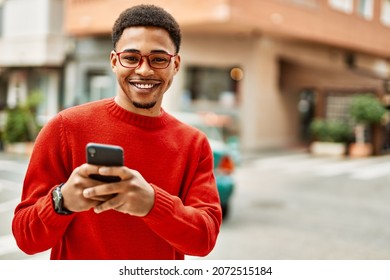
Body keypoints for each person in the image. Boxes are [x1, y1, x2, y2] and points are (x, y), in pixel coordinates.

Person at [12, 4, 222, 260]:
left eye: (158, 59)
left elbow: (204, 239)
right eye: (131, 58)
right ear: (114, 61)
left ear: (175, 64)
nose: (144, 70)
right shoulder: (65, 128)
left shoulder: (194, 144)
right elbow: (26, 238)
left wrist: (153, 204)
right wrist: (61, 201)